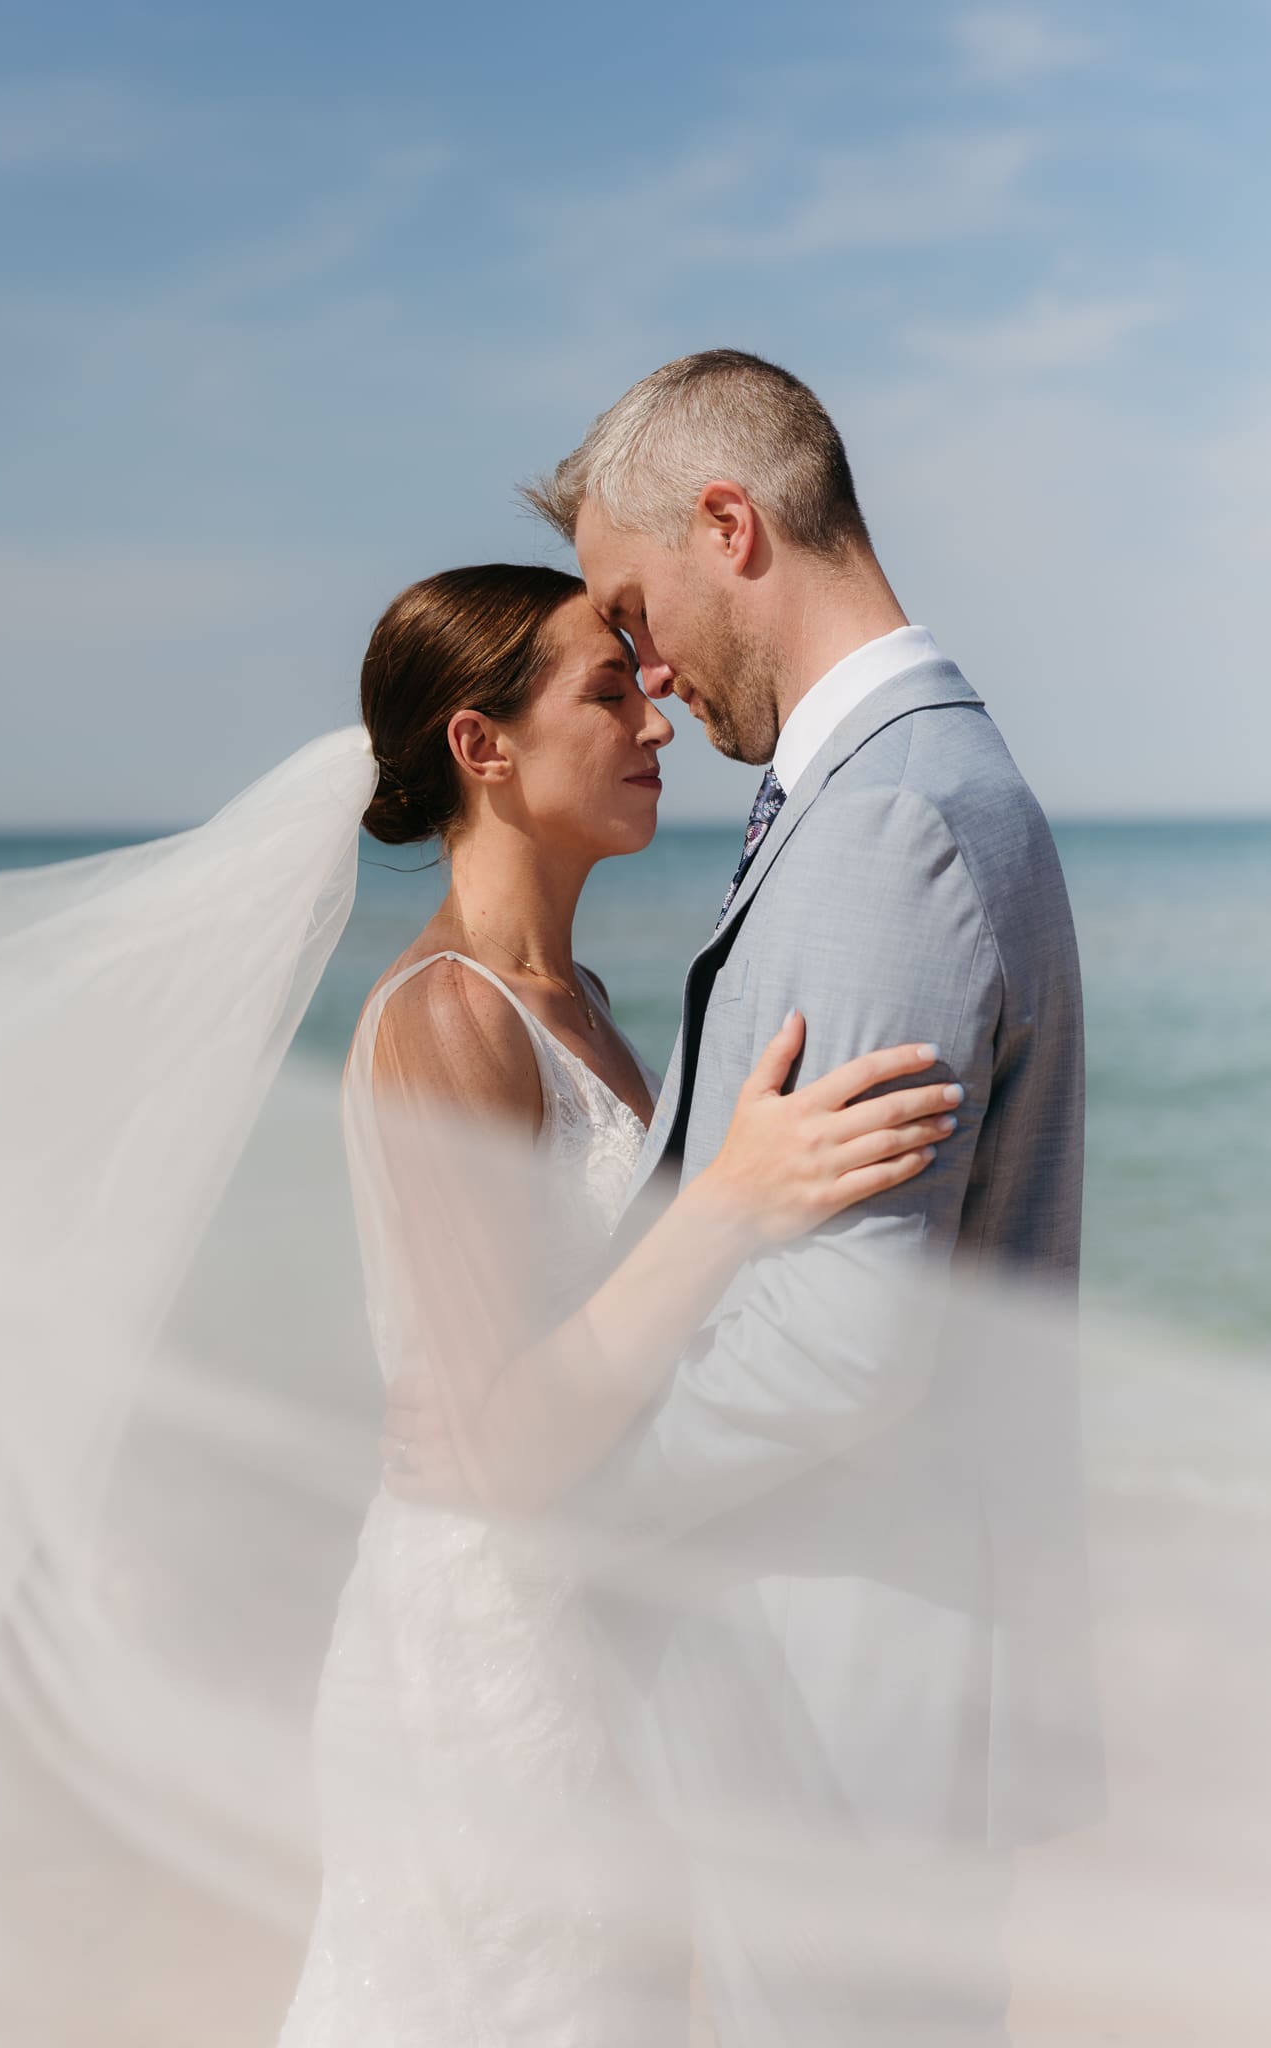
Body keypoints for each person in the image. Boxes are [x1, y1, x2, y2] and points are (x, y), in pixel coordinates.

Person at [389, 353, 1103, 2043]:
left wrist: (556, 1507)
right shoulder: (897, 793)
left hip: (852, 1705)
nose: (641, 675)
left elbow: (844, 1343)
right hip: (836, 1702)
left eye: (634, 612)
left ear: (730, 523)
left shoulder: (890, 827)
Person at [274, 561, 964, 2045]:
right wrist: (731, 1200)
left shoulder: (568, 1001)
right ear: (483, 746)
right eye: (607, 689)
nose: (654, 716)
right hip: (487, 1664)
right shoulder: (443, 1018)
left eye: (646, 684)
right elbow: (507, 1443)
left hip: (598, 1617)